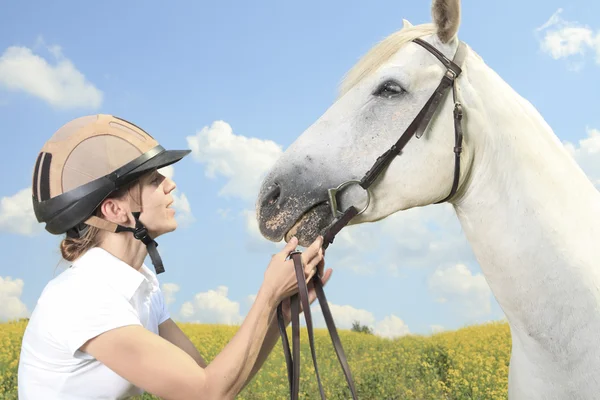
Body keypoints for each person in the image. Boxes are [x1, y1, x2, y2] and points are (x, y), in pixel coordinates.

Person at [17, 114, 331, 399]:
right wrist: (268, 294)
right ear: (116, 210)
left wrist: (279, 313)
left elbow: (213, 379)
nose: (171, 185)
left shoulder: (142, 284)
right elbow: (206, 394)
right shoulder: (83, 297)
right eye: (154, 181)